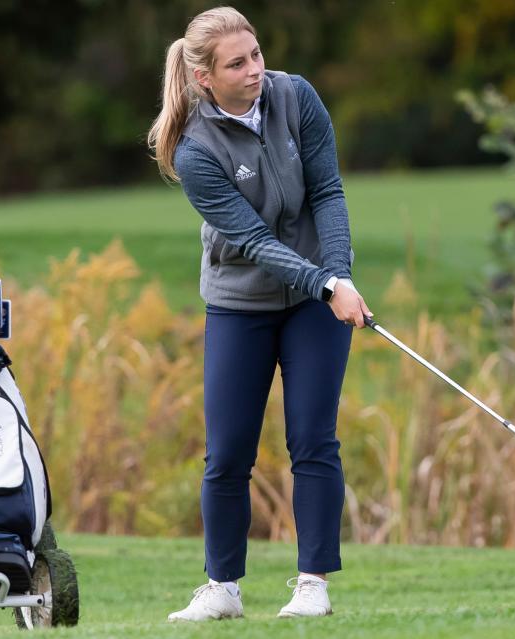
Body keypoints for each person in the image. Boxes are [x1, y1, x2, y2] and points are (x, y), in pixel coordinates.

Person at [147, 6, 372, 622]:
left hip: (315, 303)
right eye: (237, 63)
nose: (255, 71)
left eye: (257, 55)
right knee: (227, 452)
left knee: (312, 440)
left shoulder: (295, 98)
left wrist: (339, 273)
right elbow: (254, 243)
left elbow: (327, 190)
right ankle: (223, 588)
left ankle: (313, 584)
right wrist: (326, 282)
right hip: (239, 304)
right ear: (203, 78)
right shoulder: (195, 152)